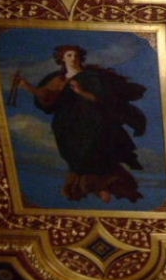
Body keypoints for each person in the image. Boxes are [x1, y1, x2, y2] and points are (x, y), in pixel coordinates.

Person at [16, 45, 146, 203]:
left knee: (93, 151)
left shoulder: (91, 76)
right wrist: (28, 86)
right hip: (67, 123)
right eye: (69, 55)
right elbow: (47, 98)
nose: (73, 58)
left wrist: (81, 92)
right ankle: (85, 188)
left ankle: (105, 186)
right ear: (62, 59)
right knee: (75, 154)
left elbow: (102, 99)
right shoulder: (57, 79)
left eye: (76, 55)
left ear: (81, 58)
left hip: (92, 120)